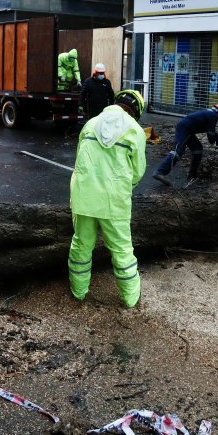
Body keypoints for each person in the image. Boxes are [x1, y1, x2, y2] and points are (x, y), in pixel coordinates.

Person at [68, 89, 147, 308]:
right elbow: (138, 171)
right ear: (136, 111)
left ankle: (79, 292)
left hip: (83, 195)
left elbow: (79, 160)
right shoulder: (135, 131)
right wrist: (124, 188)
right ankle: (130, 299)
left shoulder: (91, 124)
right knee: (122, 250)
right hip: (115, 201)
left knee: (81, 245)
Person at [153, 104, 218, 187]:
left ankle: (192, 175)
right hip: (184, 129)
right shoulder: (213, 116)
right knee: (178, 151)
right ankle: (160, 172)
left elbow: (212, 132)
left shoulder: (209, 114)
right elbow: (211, 134)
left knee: (198, 148)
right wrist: (215, 143)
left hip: (188, 131)